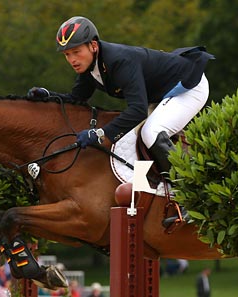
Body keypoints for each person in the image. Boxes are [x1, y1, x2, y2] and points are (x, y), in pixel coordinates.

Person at [27, 16, 214, 228]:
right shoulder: (90, 67)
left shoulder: (119, 60)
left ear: (94, 45)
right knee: (133, 141)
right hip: (161, 94)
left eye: (76, 51)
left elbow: (136, 111)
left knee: (151, 133)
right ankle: (149, 202)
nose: (72, 60)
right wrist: (47, 95)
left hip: (189, 87)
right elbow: (77, 99)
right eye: (67, 54)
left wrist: (100, 133)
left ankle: (193, 199)